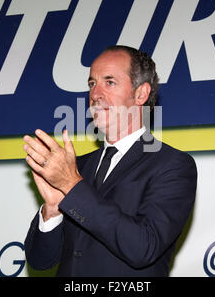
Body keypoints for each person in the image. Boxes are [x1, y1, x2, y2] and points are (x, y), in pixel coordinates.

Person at [22, 45, 197, 276]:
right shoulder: (78, 167)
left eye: (109, 82)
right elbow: (39, 260)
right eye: (92, 83)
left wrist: (72, 187)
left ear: (141, 94)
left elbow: (143, 247)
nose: (95, 95)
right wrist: (53, 211)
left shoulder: (172, 165)